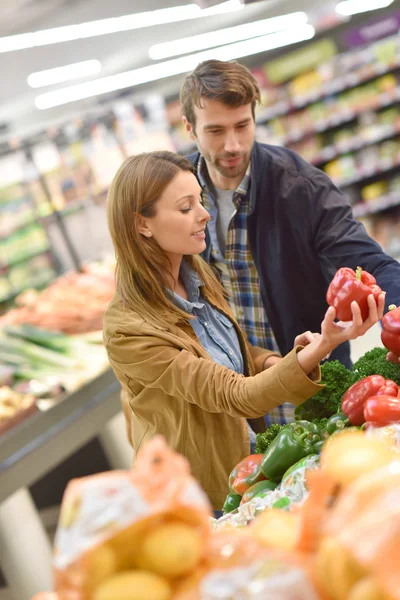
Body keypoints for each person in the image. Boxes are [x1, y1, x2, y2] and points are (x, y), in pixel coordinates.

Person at [103, 150, 384, 510]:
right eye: (186, 208)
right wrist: (318, 348)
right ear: (142, 224)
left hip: (246, 467)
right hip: (203, 494)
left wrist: (276, 361)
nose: (204, 214)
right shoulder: (128, 330)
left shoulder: (195, 273)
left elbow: (231, 351)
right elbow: (232, 393)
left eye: (200, 201)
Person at [179, 59, 400, 424]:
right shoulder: (178, 195)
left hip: (311, 382)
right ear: (190, 128)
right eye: (215, 131)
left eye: (242, 126)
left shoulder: (301, 188)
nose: (233, 144)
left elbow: (369, 262)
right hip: (229, 394)